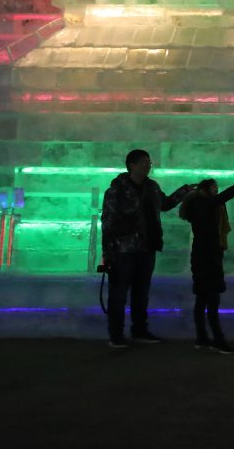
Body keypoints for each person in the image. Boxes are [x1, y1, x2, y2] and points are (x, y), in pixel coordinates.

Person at [100, 149, 192, 348]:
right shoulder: (117, 190)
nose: (148, 165)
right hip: (123, 250)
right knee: (119, 293)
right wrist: (108, 253)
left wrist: (184, 191)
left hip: (147, 248)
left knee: (141, 293)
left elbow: (165, 204)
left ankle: (139, 330)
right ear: (131, 165)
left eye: (149, 162)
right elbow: (107, 223)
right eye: (144, 162)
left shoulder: (152, 187)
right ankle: (116, 335)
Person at [179, 177, 234, 354]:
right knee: (212, 300)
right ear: (207, 189)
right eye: (214, 187)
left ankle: (202, 339)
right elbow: (224, 197)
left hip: (203, 257)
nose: (216, 190)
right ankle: (218, 340)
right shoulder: (204, 204)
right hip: (208, 258)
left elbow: (219, 199)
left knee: (202, 299)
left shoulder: (197, 204)